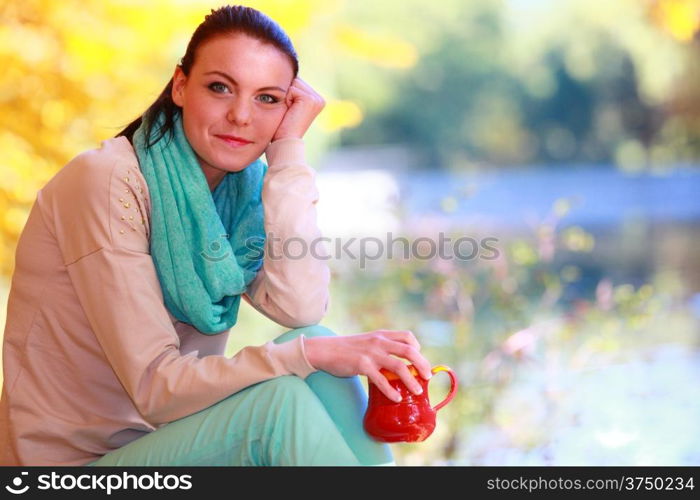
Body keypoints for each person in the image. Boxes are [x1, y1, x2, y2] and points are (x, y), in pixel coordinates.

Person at [0, 5, 433, 466]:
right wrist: (308, 355)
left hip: (169, 440)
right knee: (281, 401)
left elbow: (301, 308)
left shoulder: (235, 195)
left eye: (267, 98)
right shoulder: (107, 182)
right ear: (181, 85)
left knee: (315, 347)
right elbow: (156, 387)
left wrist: (287, 153)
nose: (241, 116)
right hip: (69, 468)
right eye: (220, 87)